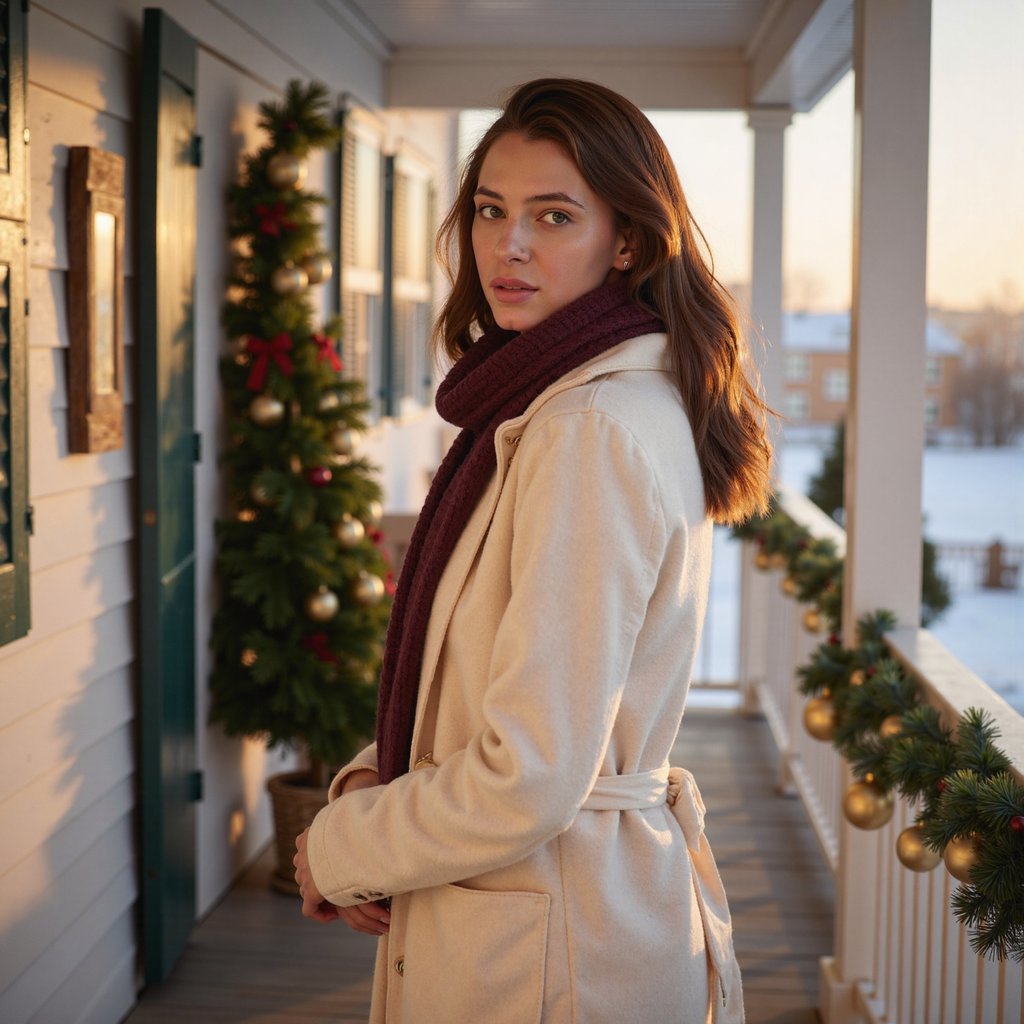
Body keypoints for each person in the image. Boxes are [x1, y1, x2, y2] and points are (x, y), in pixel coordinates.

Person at [293, 77, 771, 1024]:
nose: (509, 244)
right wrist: (370, 780)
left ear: (625, 239)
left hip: (554, 948)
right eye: (491, 210)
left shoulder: (588, 425)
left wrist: (344, 845)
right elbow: (497, 687)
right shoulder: (558, 400)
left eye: (554, 216)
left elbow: (534, 769)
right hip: (547, 911)